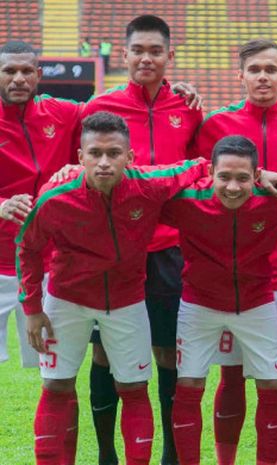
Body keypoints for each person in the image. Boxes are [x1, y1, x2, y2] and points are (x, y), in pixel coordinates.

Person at [16, 111, 208, 465]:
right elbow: (28, 247)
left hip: (126, 302)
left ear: (130, 157)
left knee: (134, 389)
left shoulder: (150, 184)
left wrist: (261, 175)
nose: (104, 162)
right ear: (80, 158)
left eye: (114, 153)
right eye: (95, 154)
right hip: (66, 300)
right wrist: (32, 309)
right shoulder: (55, 196)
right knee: (56, 386)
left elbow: (199, 166)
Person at [81, 15, 203, 465]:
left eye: (156, 50)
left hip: (169, 249)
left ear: (170, 56)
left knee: (168, 353)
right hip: (111, 251)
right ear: (124, 54)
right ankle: (107, 454)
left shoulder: (189, 108)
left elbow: (203, 165)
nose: (147, 58)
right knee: (104, 355)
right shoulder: (100, 108)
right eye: (139, 50)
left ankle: (171, 453)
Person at [192, 38, 277, 465]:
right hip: (233, 272)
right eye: (254, 69)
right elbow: (196, 182)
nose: (263, 76)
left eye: (271, 69)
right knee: (231, 375)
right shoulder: (214, 125)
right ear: (240, 75)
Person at [160, 135, 277, 465]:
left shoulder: (272, 199)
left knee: (273, 388)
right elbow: (137, 188)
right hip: (199, 304)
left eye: (243, 178)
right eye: (225, 177)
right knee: (188, 384)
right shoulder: (187, 200)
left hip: (257, 304)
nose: (233, 187)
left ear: (257, 175)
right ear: (211, 173)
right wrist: (76, 173)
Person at [0, 39, 83, 465]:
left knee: (59, 379)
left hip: (52, 268)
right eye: (10, 71)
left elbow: (120, 117)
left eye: (27, 71)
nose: (19, 79)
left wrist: (171, 88)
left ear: (39, 74)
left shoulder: (63, 115)